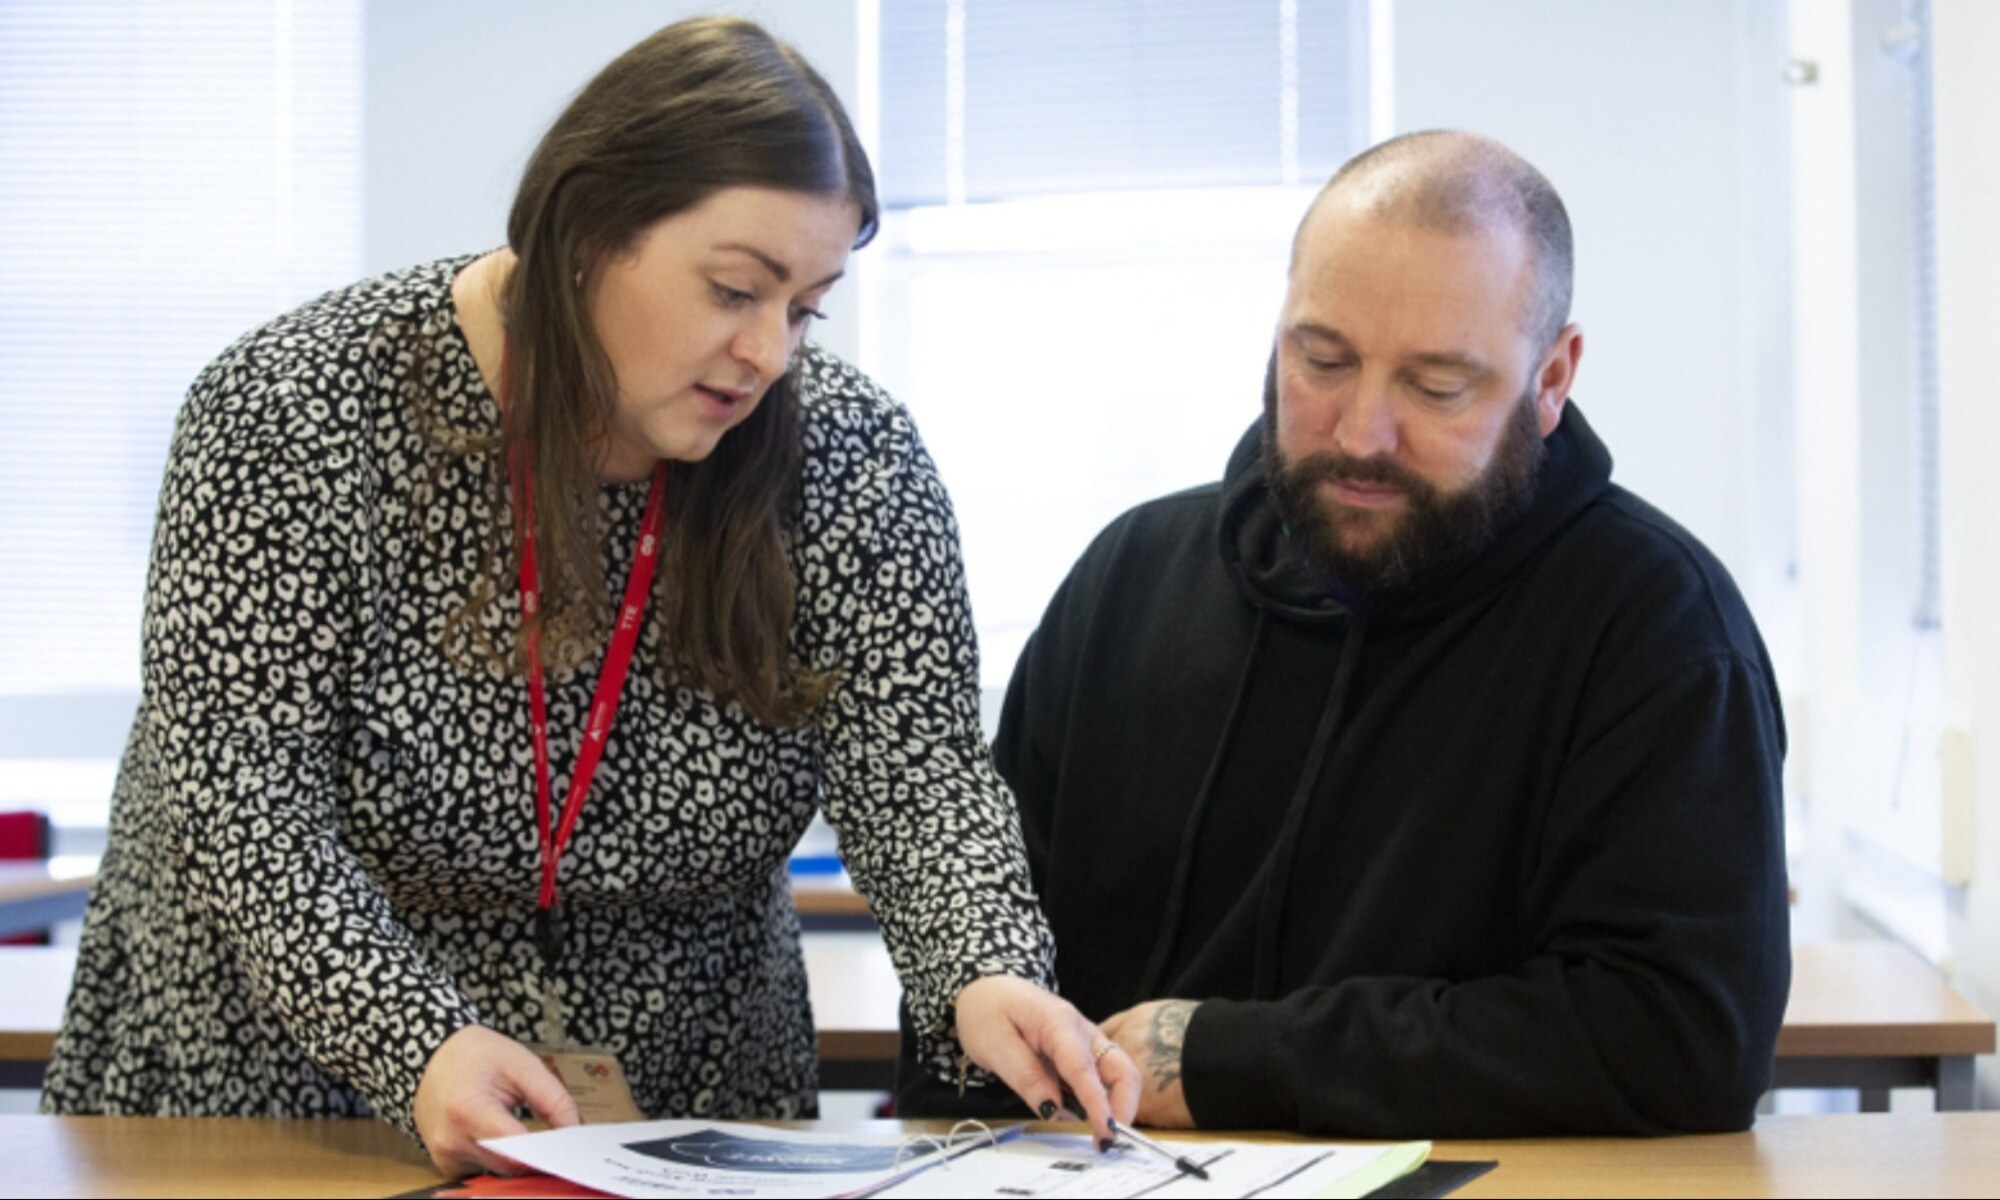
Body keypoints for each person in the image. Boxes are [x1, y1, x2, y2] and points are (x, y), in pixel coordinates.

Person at [42, 16, 1135, 1174]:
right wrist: (413, 1040)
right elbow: (241, 791)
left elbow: (915, 772)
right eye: (733, 290)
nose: (768, 352)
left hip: (683, 1112)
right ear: (584, 232)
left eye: (804, 307)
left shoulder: (848, 455)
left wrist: (985, 967)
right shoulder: (293, 411)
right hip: (284, 1098)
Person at [897, 130, 1789, 1136]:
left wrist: (1226, 1058)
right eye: (1319, 360)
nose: (1361, 432)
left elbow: (1678, 1037)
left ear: (1550, 379)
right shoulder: (1128, 580)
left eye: (1435, 386)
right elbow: (973, 967)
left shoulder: (1653, 624)